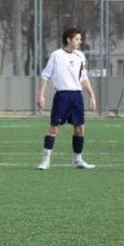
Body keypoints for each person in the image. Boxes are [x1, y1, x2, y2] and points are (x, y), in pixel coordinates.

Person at [36, 27, 97, 170]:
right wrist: (41, 95)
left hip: (76, 96)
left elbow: (83, 78)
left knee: (80, 129)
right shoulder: (56, 55)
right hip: (62, 96)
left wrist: (92, 96)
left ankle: (77, 160)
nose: (79, 42)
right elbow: (45, 75)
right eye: (77, 39)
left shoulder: (80, 56)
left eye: (80, 39)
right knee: (54, 128)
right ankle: (45, 161)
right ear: (68, 40)